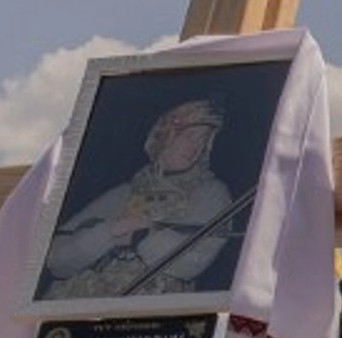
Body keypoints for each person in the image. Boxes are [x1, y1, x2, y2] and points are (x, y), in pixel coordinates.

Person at [43, 98, 239, 302]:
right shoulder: (122, 193)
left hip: (150, 317)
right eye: (188, 136)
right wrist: (110, 232)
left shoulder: (211, 193)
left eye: (203, 139)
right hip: (82, 308)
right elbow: (57, 261)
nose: (195, 147)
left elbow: (191, 264)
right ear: (165, 136)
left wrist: (142, 235)